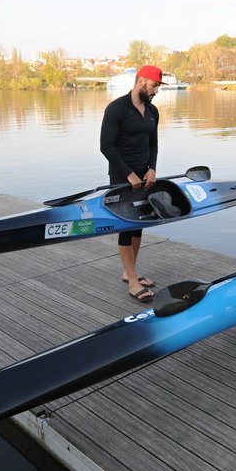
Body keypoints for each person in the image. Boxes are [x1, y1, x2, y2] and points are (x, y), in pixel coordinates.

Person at [100, 64, 164, 302]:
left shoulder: (152, 111)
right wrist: (128, 174)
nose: (156, 90)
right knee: (126, 226)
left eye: (158, 86)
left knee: (138, 225)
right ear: (141, 82)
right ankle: (133, 283)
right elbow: (106, 146)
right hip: (121, 178)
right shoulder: (116, 109)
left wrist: (152, 169)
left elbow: (153, 144)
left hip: (144, 177)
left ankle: (131, 273)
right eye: (154, 85)